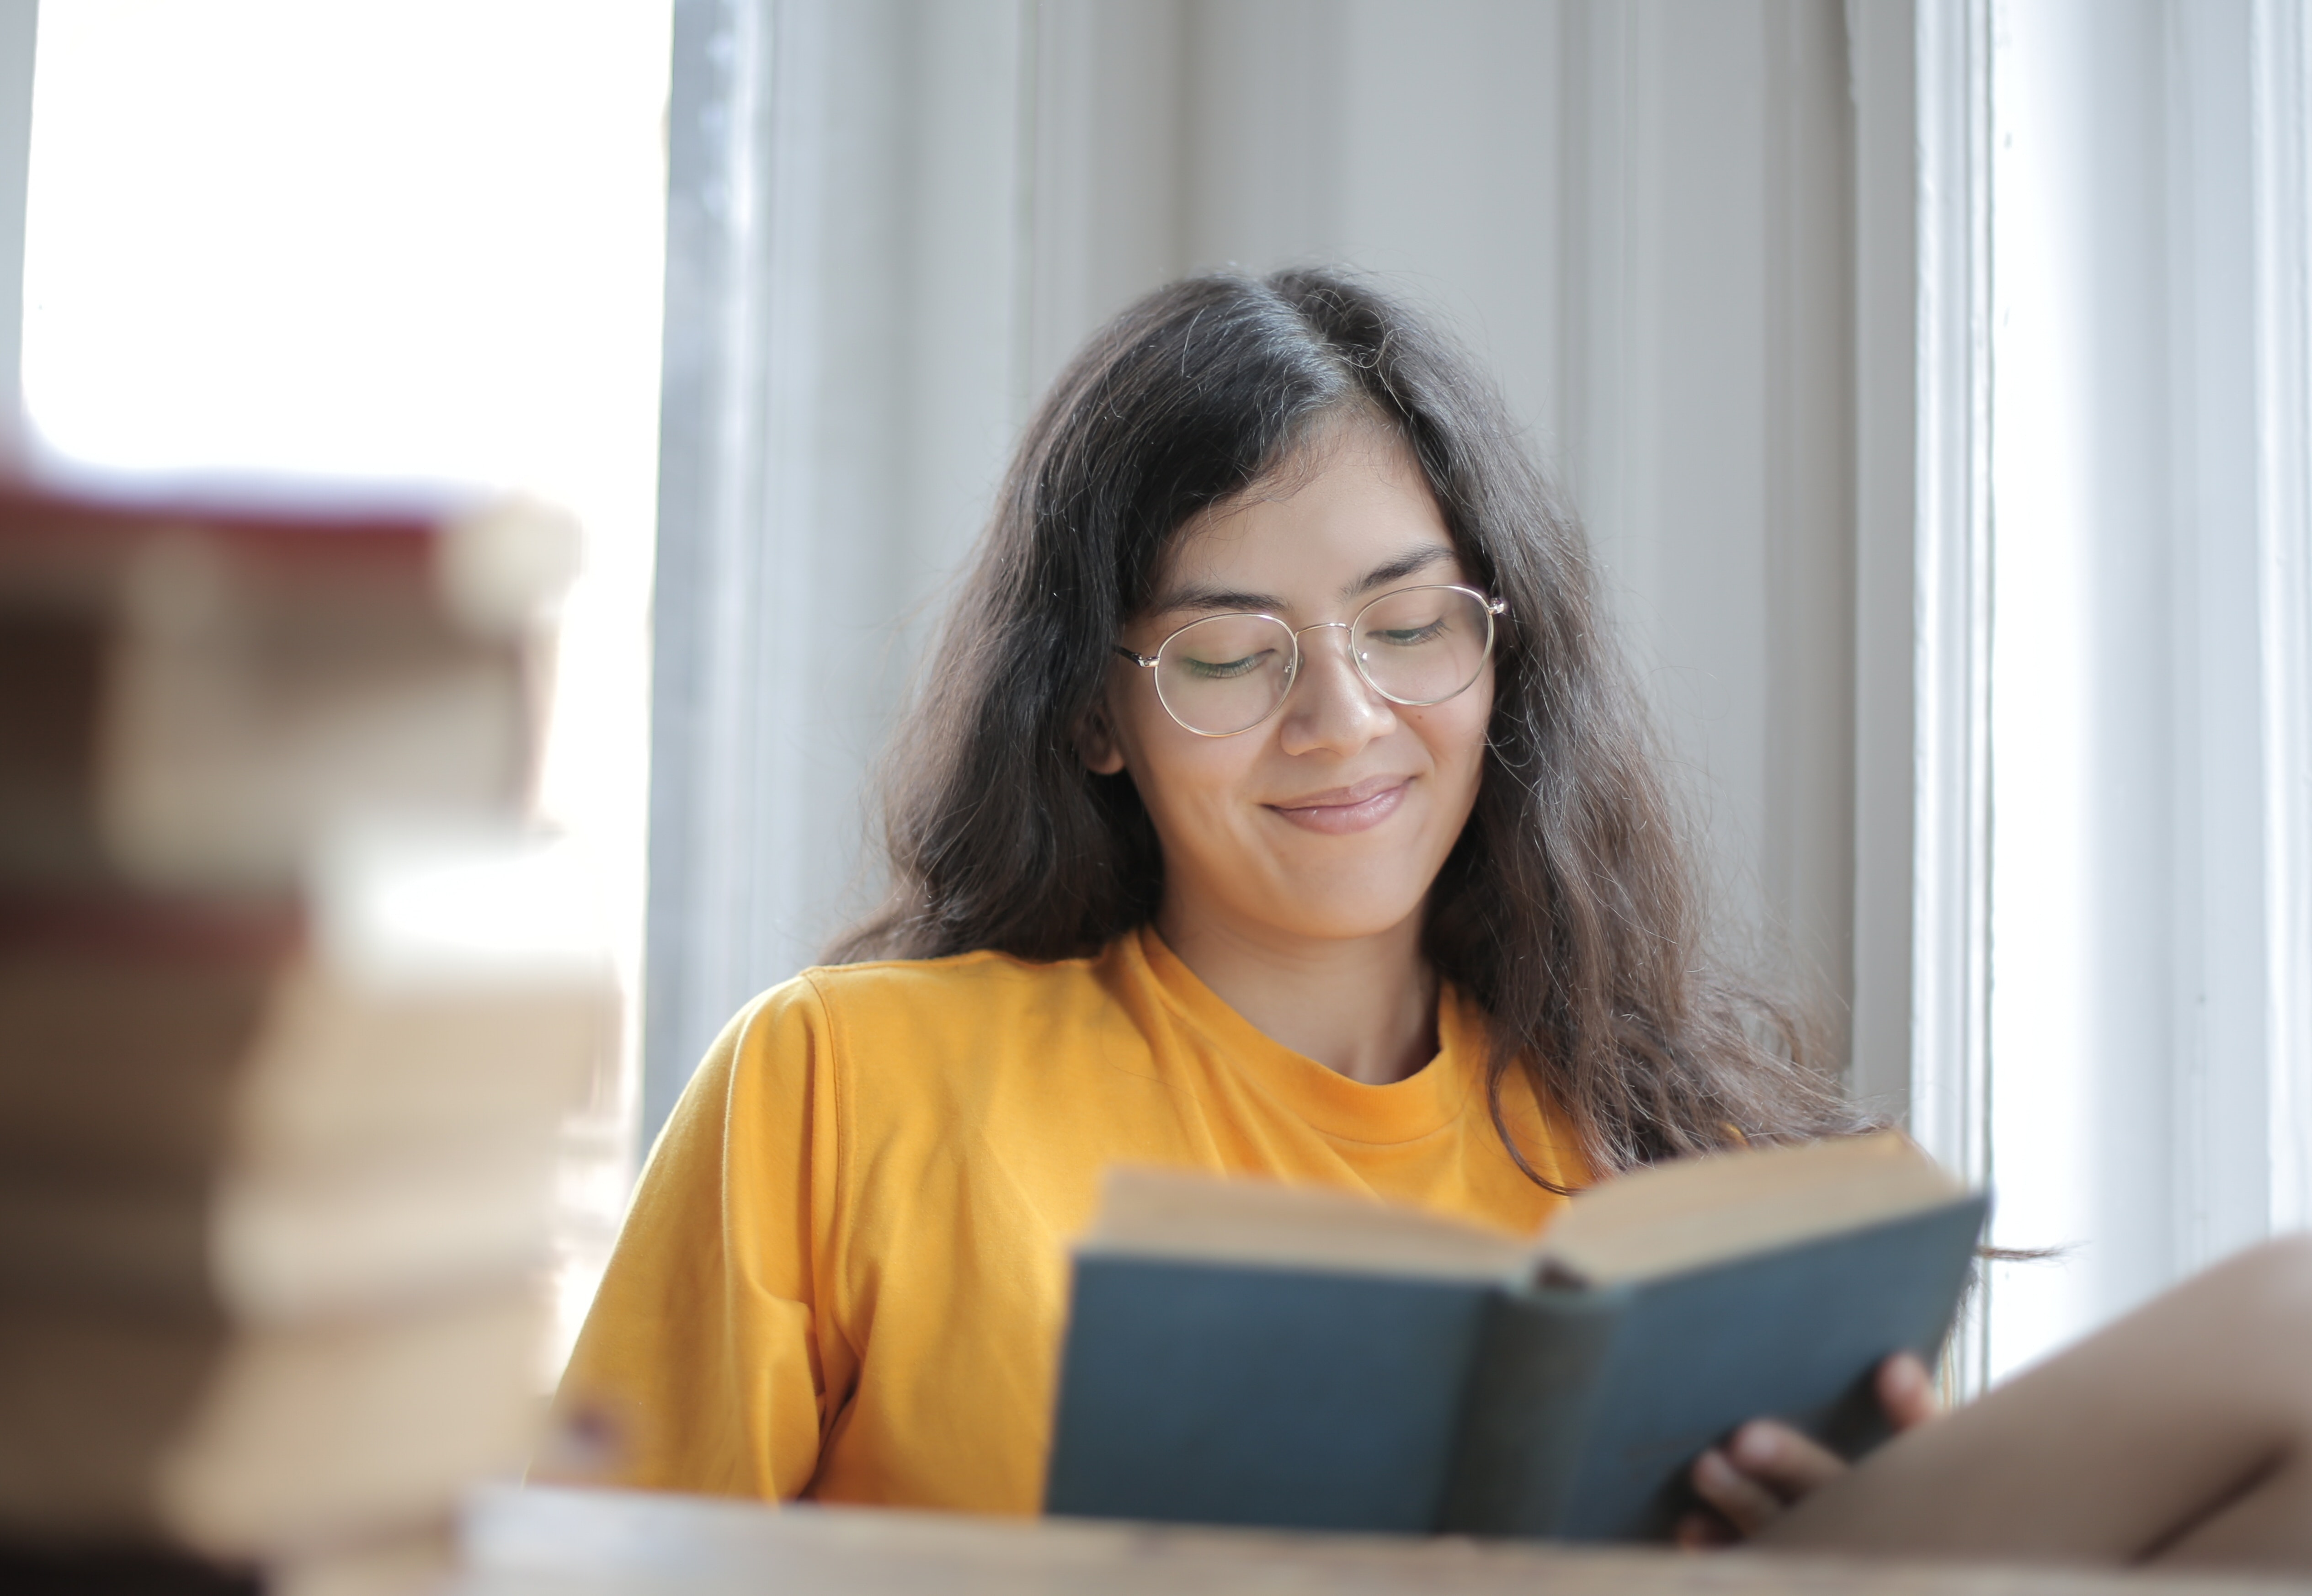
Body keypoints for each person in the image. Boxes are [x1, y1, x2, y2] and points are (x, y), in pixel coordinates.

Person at [550, 269, 2312, 1570]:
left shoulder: (1656, 1152)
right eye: (1230, 653)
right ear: (1092, 713)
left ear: (1498, 647)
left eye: (1409, 625)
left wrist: (1818, 1510)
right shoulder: (845, 1080)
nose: (1341, 720)